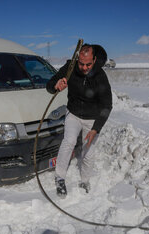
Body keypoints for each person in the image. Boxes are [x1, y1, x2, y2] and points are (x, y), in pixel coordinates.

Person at [46, 44, 113, 198]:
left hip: (92, 118)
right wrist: (55, 86)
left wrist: (96, 128)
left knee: (88, 152)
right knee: (68, 142)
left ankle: (85, 180)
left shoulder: (100, 76)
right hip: (74, 113)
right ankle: (60, 177)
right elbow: (50, 84)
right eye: (81, 63)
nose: (84, 67)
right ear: (77, 59)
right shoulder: (70, 68)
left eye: (88, 64)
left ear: (94, 59)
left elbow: (107, 105)